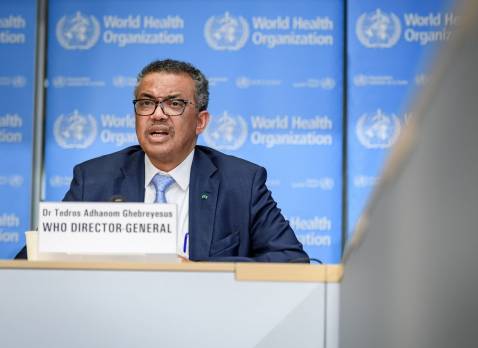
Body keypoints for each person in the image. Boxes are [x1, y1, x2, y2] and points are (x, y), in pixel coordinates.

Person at [19, 59, 308, 262]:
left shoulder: (241, 183)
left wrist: (197, 273)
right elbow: (30, 262)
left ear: (200, 121)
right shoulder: (94, 180)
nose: (157, 114)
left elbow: (290, 260)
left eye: (174, 103)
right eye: (146, 103)